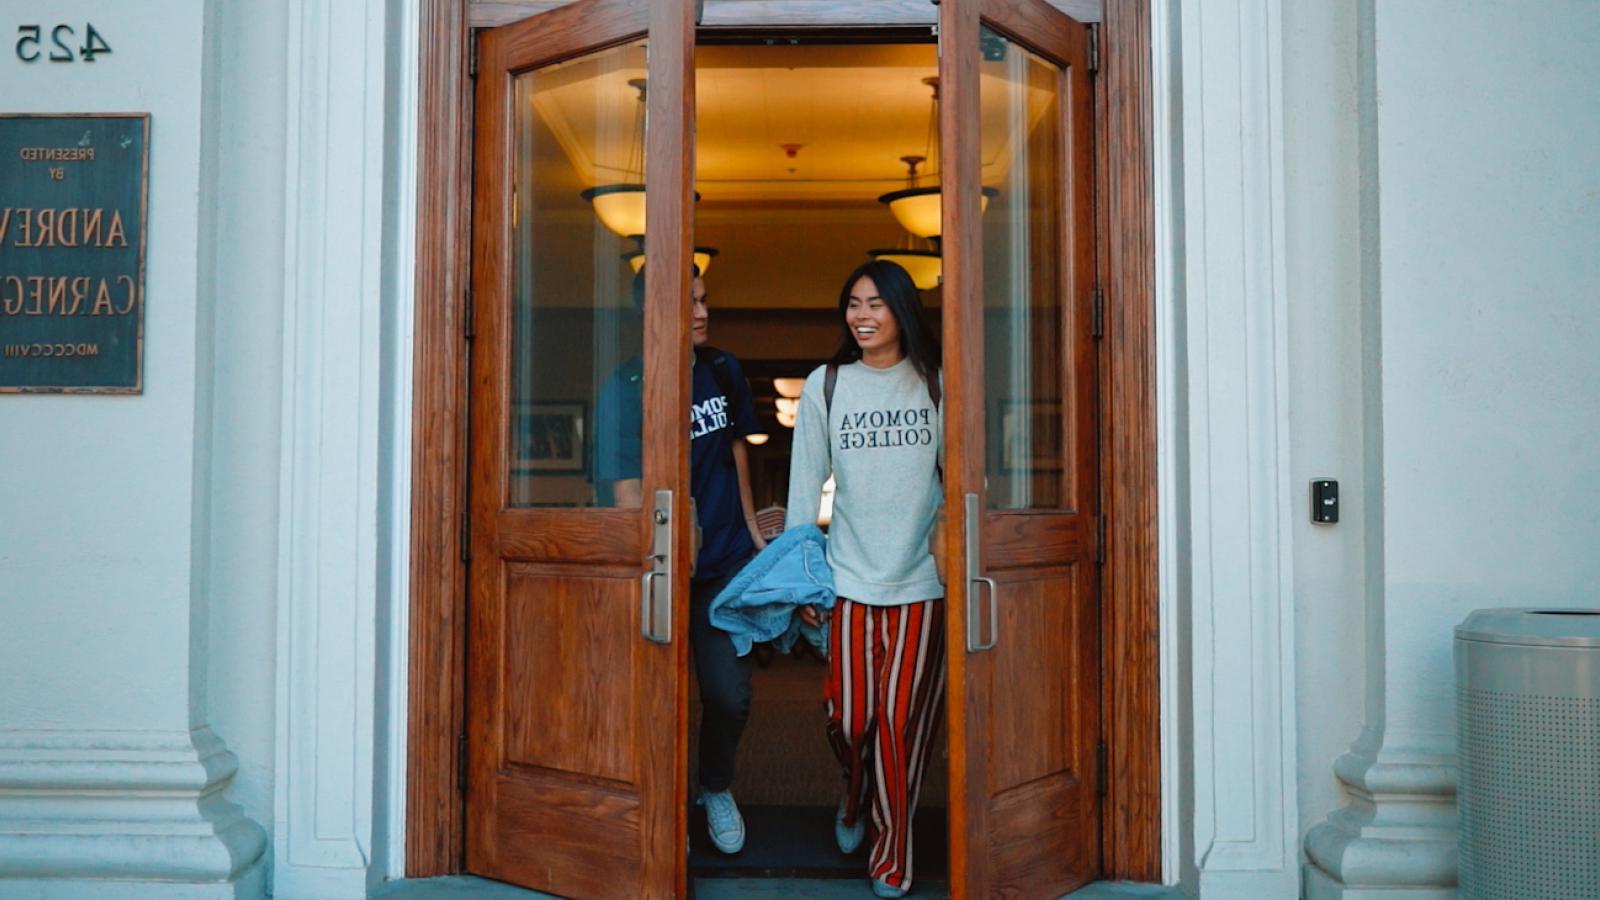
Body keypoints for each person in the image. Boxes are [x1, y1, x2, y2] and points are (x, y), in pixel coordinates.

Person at [592, 266, 768, 856]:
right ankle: (660, 813)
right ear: (650, 315)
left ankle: (714, 788)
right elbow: (622, 492)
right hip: (662, 569)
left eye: (703, 300)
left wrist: (748, 527)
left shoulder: (723, 369)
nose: (701, 312)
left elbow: (738, 447)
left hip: (721, 566)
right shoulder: (624, 389)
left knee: (728, 695)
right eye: (687, 303)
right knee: (655, 698)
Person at [785, 260, 945, 899]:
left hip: (920, 583)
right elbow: (803, 494)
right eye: (853, 304)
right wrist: (804, 584)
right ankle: (853, 796)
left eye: (876, 304)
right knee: (853, 720)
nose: (863, 316)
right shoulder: (827, 386)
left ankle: (891, 856)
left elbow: (960, 484)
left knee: (900, 724)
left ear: (902, 310)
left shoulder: (936, 384)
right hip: (848, 580)